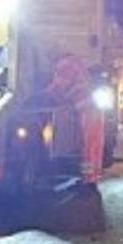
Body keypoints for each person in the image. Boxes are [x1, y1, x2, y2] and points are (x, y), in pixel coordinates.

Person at [41, 48, 104, 185]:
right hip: (89, 110)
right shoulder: (73, 63)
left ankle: (87, 177)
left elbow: (59, 86)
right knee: (92, 145)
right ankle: (90, 176)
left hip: (85, 111)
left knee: (86, 145)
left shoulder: (65, 65)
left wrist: (42, 95)